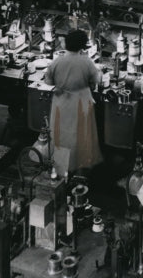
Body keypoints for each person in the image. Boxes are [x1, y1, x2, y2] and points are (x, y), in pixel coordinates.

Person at [43, 29, 103, 175]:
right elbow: (96, 80)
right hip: (81, 103)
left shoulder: (57, 61)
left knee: (61, 137)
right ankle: (80, 173)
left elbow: (48, 81)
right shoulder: (86, 62)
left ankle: (61, 170)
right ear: (82, 46)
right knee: (81, 137)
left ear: (66, 44)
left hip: (61, 103)